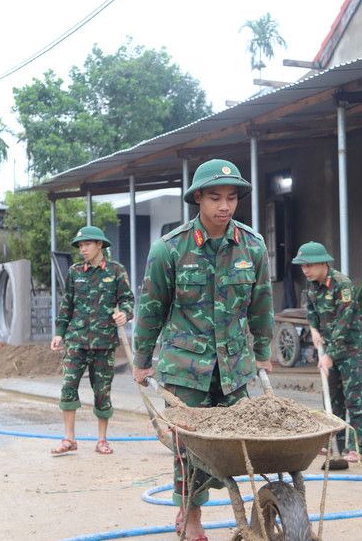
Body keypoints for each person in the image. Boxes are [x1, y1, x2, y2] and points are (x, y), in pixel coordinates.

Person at [132, 158, 273, 541]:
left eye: (231, 198)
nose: (224, 206)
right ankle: (192, 521)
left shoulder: (252, 246)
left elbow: (261, 304)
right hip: (185, 370)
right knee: (189, 450)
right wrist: (142, 362)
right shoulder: (169, 250)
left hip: (235, 369)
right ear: (198, 198)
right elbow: (151, 309)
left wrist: (262, 352)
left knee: (234, 449)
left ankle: (246, 514)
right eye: (215, 197)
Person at [50, 226, 134, 455]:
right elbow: (67, 304)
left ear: (100, 245)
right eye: (80, 245)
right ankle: (69, 439)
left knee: (102, 392)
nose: (82, 249)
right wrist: (59, 332)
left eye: (87, 244)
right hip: (76, 340)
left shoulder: (116, 271)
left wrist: (125, 313)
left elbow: (128, 299)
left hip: (104, 342)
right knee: (68, 387)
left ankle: (102, 440)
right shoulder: (75, 271)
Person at [292, 241, 362, 463]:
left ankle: (357, 447)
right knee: (332, 400)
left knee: (354, 399)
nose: (305, 270)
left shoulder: (342, 285)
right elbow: (312, 312)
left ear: (323, 263)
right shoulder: (312, 286)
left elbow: (344, 325)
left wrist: (328, 355)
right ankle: (333, 442)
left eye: (309, 266)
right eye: (302, 266)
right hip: (330, 349)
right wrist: (314, 331)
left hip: (351, 350)